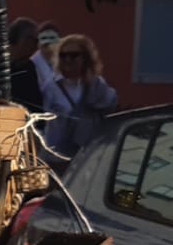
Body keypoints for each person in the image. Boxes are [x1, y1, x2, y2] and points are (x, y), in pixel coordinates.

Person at [39, 32, 117, 162]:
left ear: (85, 58)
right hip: (57, 155)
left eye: (73, 55)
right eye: (63, 56)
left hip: (88, 155)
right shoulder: (51, 86)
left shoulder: (97, 84)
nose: (68, 60)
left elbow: (111, 104)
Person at [7, 18, 43, 110]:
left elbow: (35, 102)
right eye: (32, 39)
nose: (36, 45)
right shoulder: (0, 65)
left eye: (37, 40)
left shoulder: (30, 66)